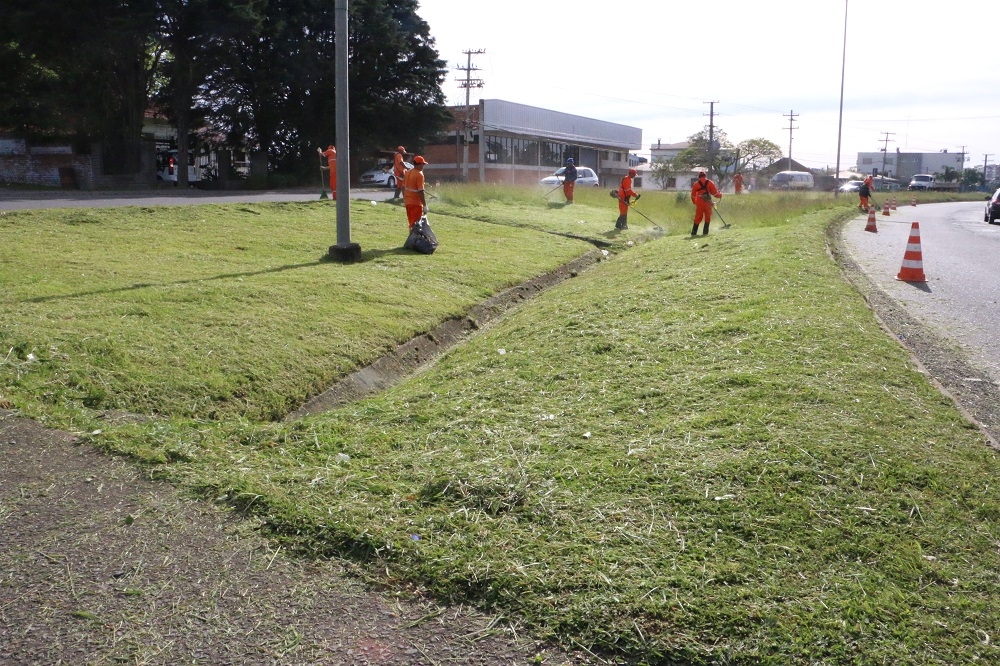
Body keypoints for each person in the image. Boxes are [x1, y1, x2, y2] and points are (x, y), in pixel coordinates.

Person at [690, 171, 722, 236]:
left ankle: (693, 233)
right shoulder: (710, 182)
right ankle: (705, 233)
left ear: (699, 177)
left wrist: (694, 202)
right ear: (705, 176)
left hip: (699, 202)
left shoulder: (696, 184)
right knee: (708, 217)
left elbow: (693, 195)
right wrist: (720, 194)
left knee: (698, 217)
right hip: (708, 202)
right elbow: (715, 193)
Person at [402, 155, 428, 230]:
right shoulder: (420, 174)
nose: (423, 166)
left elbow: (403, 188)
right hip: (416, 203)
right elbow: (420, 192)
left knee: (411, 223)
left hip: (408, 203)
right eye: (423, 164)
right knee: (416, 225)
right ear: (419, 164)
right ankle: (414, 241)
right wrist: (425, 205)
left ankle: (412, 239)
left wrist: (405, 199)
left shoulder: (408, 172)